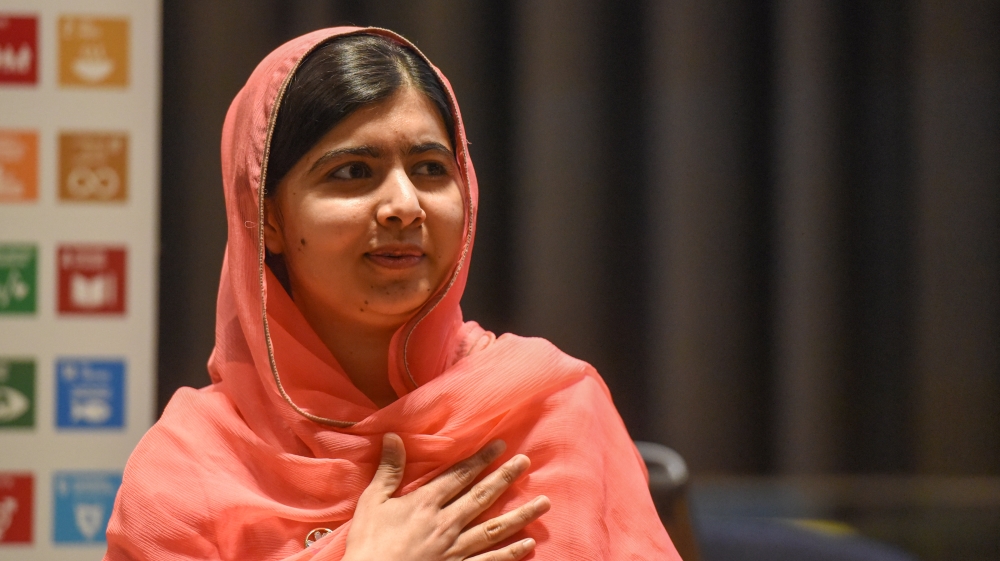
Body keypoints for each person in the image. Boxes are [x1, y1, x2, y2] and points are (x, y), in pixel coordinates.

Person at [104, 27, 680, 561]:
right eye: (353, 172)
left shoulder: (549, 408)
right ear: (268, 218)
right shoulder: (189, 471)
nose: (405, 204)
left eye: (431, 168)